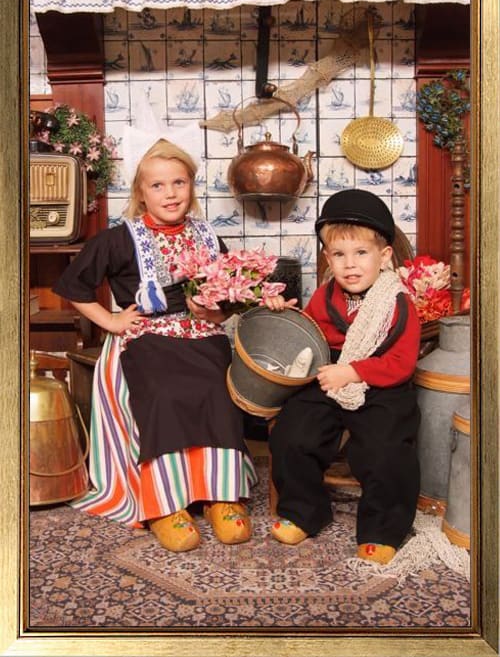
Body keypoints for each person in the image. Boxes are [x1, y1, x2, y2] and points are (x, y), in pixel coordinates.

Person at [53, 138, 258, 553]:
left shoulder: (206, 234)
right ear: (141, 193)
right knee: (166, 392)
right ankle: (165, 502)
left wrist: (218, 315)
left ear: (191, 187)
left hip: (201, 336)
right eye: (158, 186)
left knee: (220, 389)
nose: (170, 194)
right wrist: (111, 320)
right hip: (145, 337)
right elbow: (72, 285)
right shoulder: (119, 239)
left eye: (178, 183)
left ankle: (221, 495)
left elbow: (228, 293)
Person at [265, 189, 421, 565]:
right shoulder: (325, 296)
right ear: (327, 258)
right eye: (339, 254)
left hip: (381, 378)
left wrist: (354, 371)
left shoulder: (398, 303)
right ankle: (305, 510)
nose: (350, 265)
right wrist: (283, 312)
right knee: (293, 433)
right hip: (331, 371)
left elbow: (401, 362)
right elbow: (311, 333)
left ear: (384, 257)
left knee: (385, 449)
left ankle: (381, 529)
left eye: (361, 253)